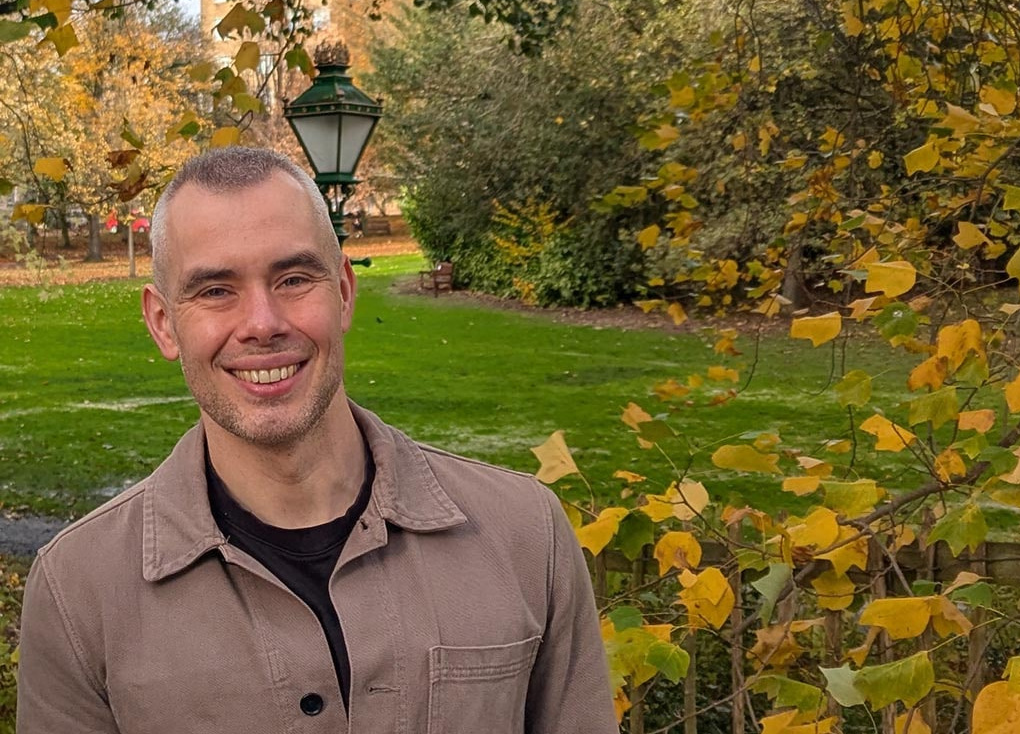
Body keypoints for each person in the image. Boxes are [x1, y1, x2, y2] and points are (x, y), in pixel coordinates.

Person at [17, 147, 617, 734]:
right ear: (163, 323)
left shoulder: (522, 535)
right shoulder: (80, 591)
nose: (262, 324)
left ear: (345, 293)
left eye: (294, 278)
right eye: (215, 291)